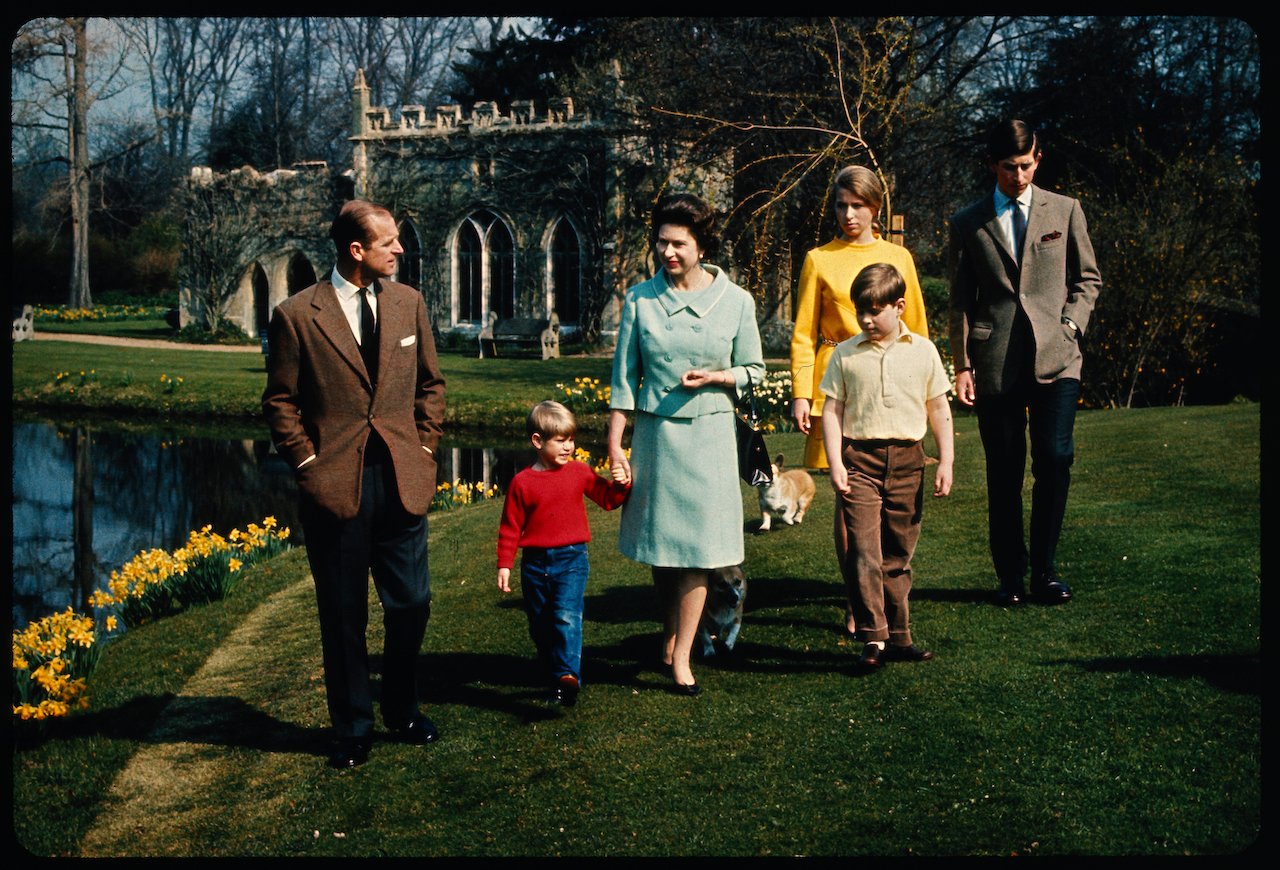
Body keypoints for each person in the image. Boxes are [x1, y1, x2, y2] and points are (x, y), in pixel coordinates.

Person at [263, 199, 446, 769]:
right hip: (335, 485)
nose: (400, 249)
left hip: (401, 477)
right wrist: (306, 466)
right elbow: (280, 403)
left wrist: (424, 447)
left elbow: (431, 387)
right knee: (343, 614)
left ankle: (402, 707)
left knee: (412, 602)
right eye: (389, 242)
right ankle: (351, 728)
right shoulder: (297, 315)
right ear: (356, 250)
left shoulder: (409, 303)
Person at [607, 192, 765, 696]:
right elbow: (622, 382)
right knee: (663, 548)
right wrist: (615, 446)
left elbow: (755, 370)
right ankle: (671, 633)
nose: (667, 252)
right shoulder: (640, 299)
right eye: (661, 242)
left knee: (698, 550)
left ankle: (682, 656)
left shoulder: (736, 301)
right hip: (656, 438)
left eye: (678, 243)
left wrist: (720, 377)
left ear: (702, 245)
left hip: (711, 436)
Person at [948, 119, 1102, 607]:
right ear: (992, 165)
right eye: (1010, 167)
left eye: (1027, 165)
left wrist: (1072, 326)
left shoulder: (1066, 209)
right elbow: (960, 301)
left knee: (1055, 459)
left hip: (1058, 358)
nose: (1020, 176)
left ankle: (1046, 571)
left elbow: (1088, 279)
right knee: (1005, 471)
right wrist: (962, 364)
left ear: (1038, 158)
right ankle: (1010, 576)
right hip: (995, 360)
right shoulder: (968, 222)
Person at [788, 164, 930, 637]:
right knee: (849, 499)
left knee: (896, 510)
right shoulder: (818, 258)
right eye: (841, 206)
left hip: (889, 390)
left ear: (875, 207)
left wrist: (927, 394)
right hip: (839, 386)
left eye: (858, 206)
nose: (849, 215)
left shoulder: (899, 257)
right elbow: (804, 334)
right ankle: (859, 604)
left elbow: (919, 332)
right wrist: (801, 394)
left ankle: (887, 598)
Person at [820, 263, 954, 670]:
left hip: (909, 462)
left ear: (899, 307)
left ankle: (899, 638)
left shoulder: (923, 351)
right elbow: (831, 410)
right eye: (861, 311)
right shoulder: (845, 354)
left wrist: (945, 459)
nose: (865, 320)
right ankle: (873, 638)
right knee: (863, 551)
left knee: (897, 554)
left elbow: (938, 407)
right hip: (859, 462)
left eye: (874, 311)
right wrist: (835, 462)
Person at [496, 400, 631, 707]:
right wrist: (505, 564)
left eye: (571, 439)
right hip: (534, 564)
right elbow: (510, 527)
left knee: (566, 616)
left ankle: (568, 677)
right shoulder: (522, 483)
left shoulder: (580, 472)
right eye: (560, 440)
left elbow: (608, 499)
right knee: (541, 623)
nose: (569, 446)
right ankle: (553, 670)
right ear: (537, 441)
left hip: (572, 560)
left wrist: (622, 485)